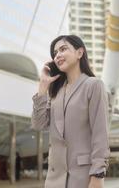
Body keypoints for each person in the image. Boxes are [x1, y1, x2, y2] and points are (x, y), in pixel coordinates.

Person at [31, 35, 110, 188]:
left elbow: (100, 134)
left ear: (79, 53)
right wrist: (42, 89)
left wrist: (98, 174)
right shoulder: (56, 93)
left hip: (83, 177)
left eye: (63, 49)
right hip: (54, 179)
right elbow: (38, 124)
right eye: (55, 53)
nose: (57, 55)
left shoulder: (93, 85)